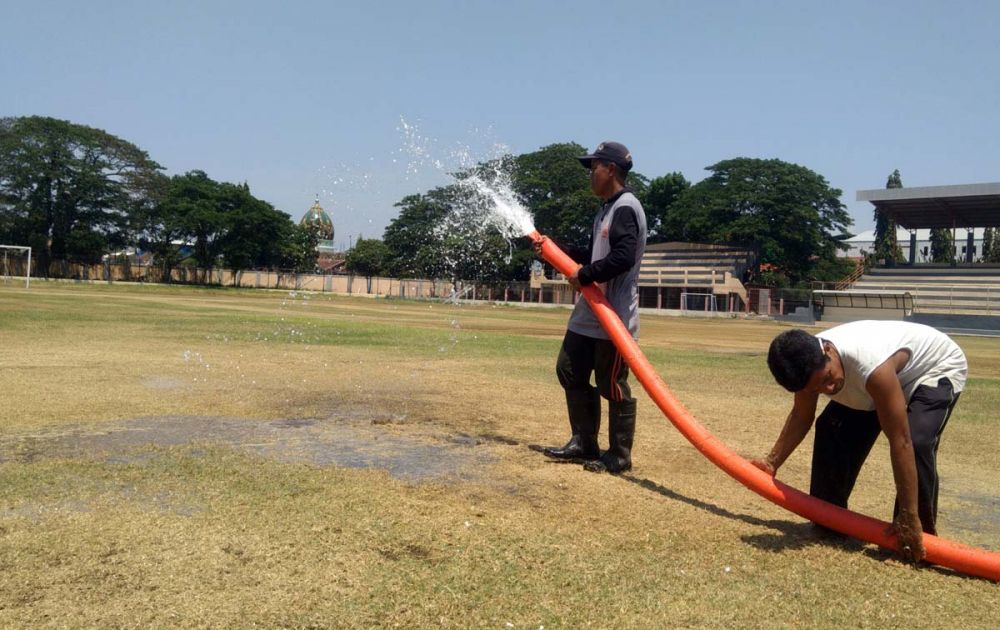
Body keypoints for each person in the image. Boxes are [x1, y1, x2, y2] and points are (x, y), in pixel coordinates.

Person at [751, 321, 967, 563]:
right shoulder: (806, 365)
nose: (829, 388)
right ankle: (828, 522)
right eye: (817, 389)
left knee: (917, 441)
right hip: (872, 376)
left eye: (828, 378)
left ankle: (918, 536)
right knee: (832, 428)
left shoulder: (871, 367)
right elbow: (802, 416)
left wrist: (909, 513)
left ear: (828, 351)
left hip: (932, 368)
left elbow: (901, 441)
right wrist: (771, 462)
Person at [536, 141, 647, 473]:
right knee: (569, 369)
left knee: (611, 383)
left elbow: (623, 258)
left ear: (610, 169)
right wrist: (555, 248)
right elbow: (594, 256)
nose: (590, 174)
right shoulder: (605, 209)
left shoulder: (626, 207)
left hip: (614, 315)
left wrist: (584, 274)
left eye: (594, 167)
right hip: (589, 312)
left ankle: (618, 455)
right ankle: (584, 443)